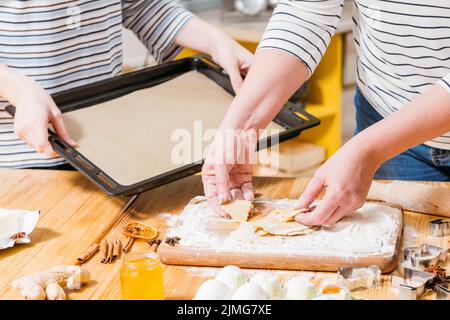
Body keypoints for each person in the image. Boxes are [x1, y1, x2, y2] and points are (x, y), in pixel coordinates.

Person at [202, 0, 450, 224]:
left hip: (383, 139)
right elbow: (307, 11)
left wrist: (370, 150)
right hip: (386, 113)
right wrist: (240, 127)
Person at [0, 0, 252, 169]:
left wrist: (218, 42)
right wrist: (18, 91)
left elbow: (146, 7)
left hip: (104, 151)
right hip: (16, 161)